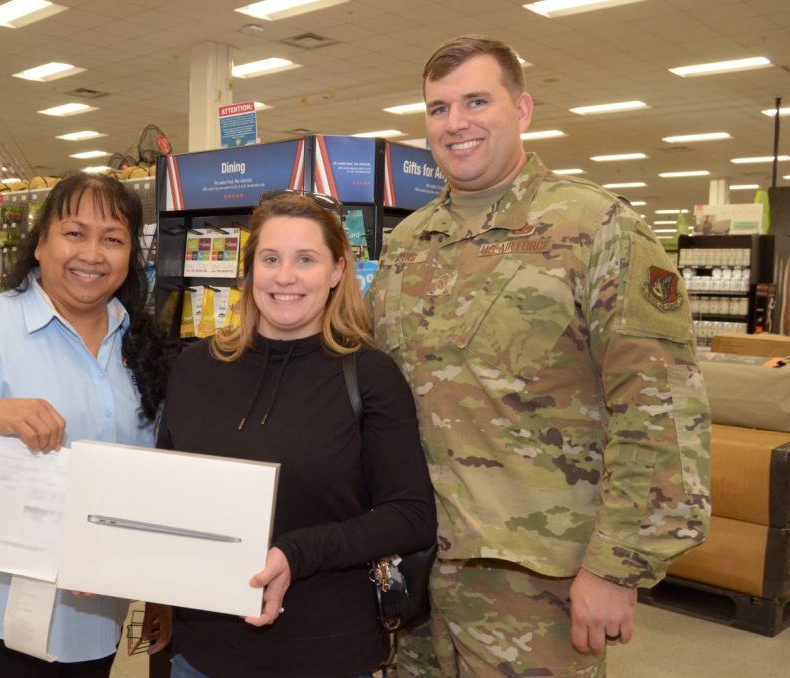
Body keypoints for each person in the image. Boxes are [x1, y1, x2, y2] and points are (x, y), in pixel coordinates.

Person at [368, 35, 711, 676]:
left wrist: (618, 565)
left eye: (476, 101)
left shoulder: (597, 229)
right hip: (412, 576)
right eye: (438, 108)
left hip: (536, 584)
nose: (456, 123)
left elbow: (660, 410)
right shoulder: (411, 242)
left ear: (522, 109)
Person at [0, 173, 176, 677]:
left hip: (98, 616)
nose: (92, 254)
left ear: (130, 255)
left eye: (112, 239)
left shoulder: (141, 346)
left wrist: (160, 591)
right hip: (0, 622)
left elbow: (147, 484)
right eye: (74, 233)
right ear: (41, 242)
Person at [155, 191, 436, 678]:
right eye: (270, 259)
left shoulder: (368, 375)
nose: (285, 276)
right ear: (250, 271)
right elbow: (164, 494)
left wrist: (297, 552)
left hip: (323, 650)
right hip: (201, 650)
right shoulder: (196, 367)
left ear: (336, 271)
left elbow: (410, 516)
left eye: (306, 259)